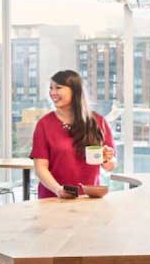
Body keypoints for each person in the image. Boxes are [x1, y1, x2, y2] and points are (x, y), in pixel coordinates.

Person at [31, 69, 116, 199]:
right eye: (51, 88)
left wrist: (106, 158)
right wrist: (58, 190)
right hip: (53, 199)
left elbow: (110, 166)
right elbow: (40, 168)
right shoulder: (44, 124)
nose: (52, 93)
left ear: (75, 90)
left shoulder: (98, 122)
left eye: (58, 88)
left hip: (89, 199)